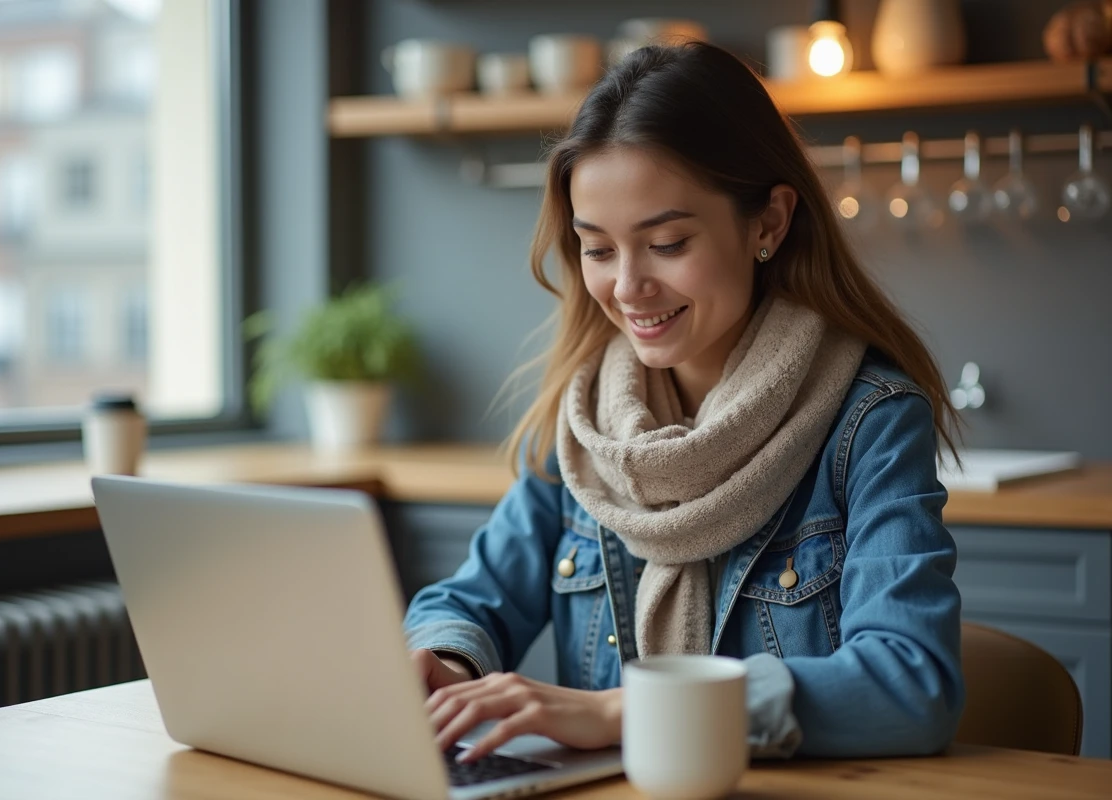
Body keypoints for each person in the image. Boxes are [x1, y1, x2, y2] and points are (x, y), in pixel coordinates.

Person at [403, 42, 965, 764]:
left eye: (666, 243)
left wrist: (628, 712)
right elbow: (469, 602)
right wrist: (445, 668)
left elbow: (911, 687)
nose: (628, 286)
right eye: (597, 250)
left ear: (768, 223)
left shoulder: (871, 421)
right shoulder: (583, 429)